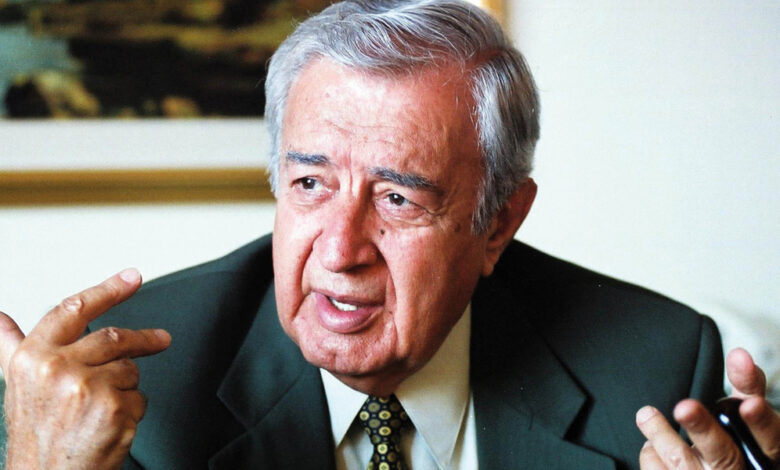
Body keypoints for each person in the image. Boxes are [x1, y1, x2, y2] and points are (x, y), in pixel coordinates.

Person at [0, 1, 777, 469]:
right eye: (311, 184)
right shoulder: (136, 389)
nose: (340, 251)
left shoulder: (654, 367)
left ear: (498, 222)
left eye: (398, 199)